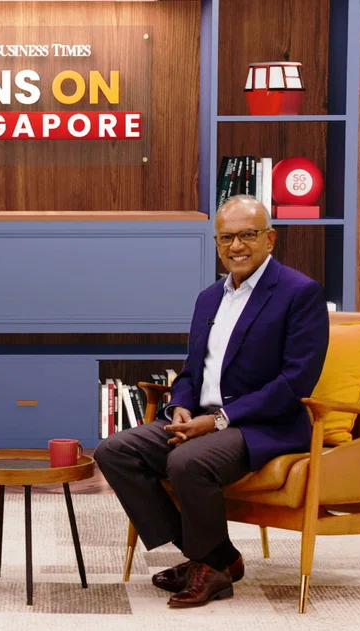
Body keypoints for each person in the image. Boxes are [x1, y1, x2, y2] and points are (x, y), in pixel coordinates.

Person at [94, 195, 329, 608]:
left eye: (247, 235)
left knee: (188, 461)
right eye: (226, 238)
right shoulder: (209, 297)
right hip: (202, 419)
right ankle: (215, 558)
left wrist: (221, 420)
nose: (235, 246)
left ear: (270, 239)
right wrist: (180, 406)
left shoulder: (299, 293)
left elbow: (295, 381)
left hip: (262, 426)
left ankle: (208, 564)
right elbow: (191, 370)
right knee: (115, 451)